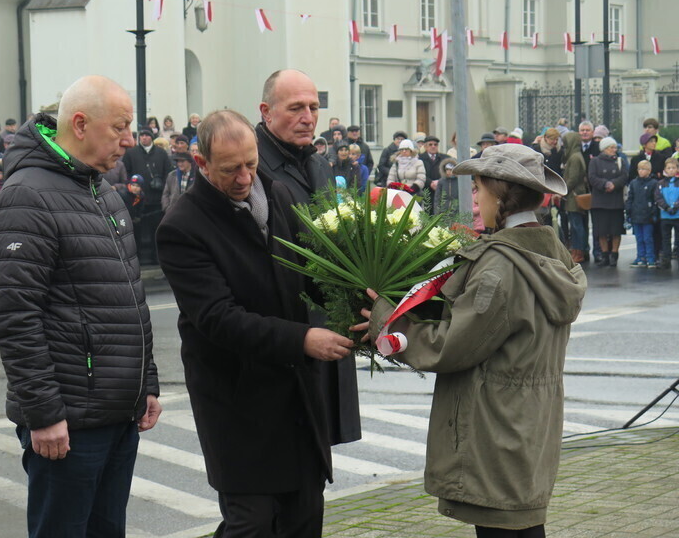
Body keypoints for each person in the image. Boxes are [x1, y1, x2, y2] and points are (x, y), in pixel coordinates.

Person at [359, 143, 587, 538]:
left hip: (495, 427)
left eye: (479, 187)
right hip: (530, 421)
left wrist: (389, 322)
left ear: (500, 194)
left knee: (503, 528)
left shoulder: (500, 267)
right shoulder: (552, 255)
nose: (475, 197)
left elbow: (453, 345)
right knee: (524, 525)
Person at [157, 110, 351, 537]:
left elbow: (308, 274)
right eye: (230, 170)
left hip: (296, 395)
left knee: (304, 514)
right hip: (237, 401)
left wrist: (355, 302)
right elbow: (218, 319)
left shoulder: (278, 195)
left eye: (251, 164)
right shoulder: (182, 227)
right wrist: (303, 339)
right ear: (201, 163)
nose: (245, 178)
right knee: (252, 523)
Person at [0, 75, 161, 538]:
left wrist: (146, 381)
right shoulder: (27, 194)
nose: (129, 140)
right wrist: (43, 414)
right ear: (80, 124)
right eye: (120, 127)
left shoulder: (101, 190)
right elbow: (15, 318)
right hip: (67, 424)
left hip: (116, 413)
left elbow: (129, 298)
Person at [255, 68, 360, 446]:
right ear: (266, 111)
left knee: (316, 462)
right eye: (296, 108)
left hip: (326, 321)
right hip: (287, 327)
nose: (308, 117)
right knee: (287, 451)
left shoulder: (317, 162)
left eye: (313, 107)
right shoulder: (251, 165)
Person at [122, 127, 172, 265]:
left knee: (156, 231)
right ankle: (138, 259)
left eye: (147, 135)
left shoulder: (161, 153)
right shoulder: (131, 153)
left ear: (152, 137)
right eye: (142, 135)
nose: (144, 137)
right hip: (136, 202)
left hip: (156, 200)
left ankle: (156, 258)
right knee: (136, 232)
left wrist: (161, 185)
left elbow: (168, 173)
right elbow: (125, 173)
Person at [588, 136, 629, 267]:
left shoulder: (620, 161)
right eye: (611, 147)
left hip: (615, 201)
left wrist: (614, 184)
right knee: (601, 230)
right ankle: (604, 254)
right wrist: (605, 184)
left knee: (616, 230)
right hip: (600, 201)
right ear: (604, 149)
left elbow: (624, 176)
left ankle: (614, 255)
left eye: (615, 147)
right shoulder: (595, 161)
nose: (614, 150)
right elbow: (592, 177)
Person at [562, 132, 590, 264]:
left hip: (574, 195)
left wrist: (563, 190)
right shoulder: (577, 155)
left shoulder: (574, 158)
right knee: (578, 225)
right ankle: (580, 250)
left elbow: (573, 178)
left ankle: (578, 252)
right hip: (576, 193)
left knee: (576, 226)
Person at [626, 160, 659, 268]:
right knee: (639, 238)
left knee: (647, 238)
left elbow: (655, 200)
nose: (641, 171)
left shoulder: (653, 183)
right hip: (636, 215)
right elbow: (630, 198)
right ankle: (640, 257)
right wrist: (628, 211)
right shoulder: (634, 183)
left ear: (649, 171)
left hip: (648, 216)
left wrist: (654, 214)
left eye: (644, 169)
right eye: (639, 169)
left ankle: (650, 257)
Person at [655, 157, 679, 269]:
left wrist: (675, 206)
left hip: (677, 215)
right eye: (669, 168)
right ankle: (666, 258)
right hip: (665, 216)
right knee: (666, 238)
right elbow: (658, 198)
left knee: (678, 238)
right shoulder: (660, 183)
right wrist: (666, 207)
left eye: (673, 168)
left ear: (677, 169)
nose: (671, 170)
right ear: (665, 169)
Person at [421, 136, 447, 213]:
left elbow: (448, 172)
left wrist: (439, 182)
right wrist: (430, 182)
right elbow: (418, 174)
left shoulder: (445, 158)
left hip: (441, 190)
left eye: (435, 144)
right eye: (430, 144)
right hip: (425, 189)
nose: (433, 146)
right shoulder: (420, 158)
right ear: (425, 146)